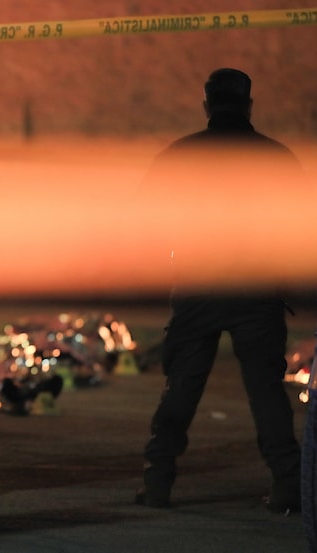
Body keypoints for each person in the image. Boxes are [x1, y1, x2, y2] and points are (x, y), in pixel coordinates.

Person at [135, 68, 307, 513]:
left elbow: (145, 222)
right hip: (258, 291)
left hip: (198, 287)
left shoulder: (180, 155)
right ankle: (288, 486)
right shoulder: (277, 157)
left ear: (207, 105)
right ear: (248, 105)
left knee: (181, 390)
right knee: (267, 392)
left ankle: (158, 484)